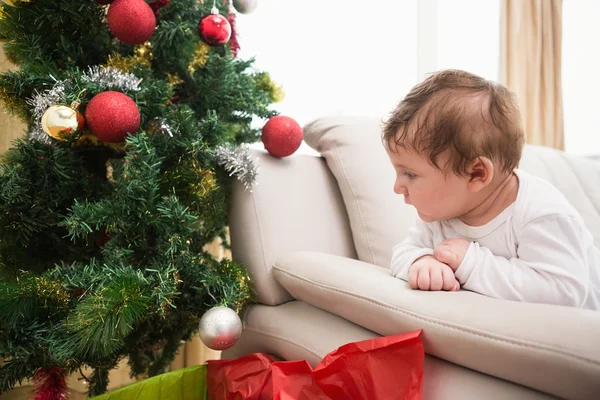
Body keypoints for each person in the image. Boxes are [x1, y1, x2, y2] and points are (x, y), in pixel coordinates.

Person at [383, 69, 600, 310]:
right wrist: (421, 261)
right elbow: (403, 251)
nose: (397, 187)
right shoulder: (439, 214)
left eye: (410, 174)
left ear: (477, 174)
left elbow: (565, 291)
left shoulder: (541, 212)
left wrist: (473, 264)